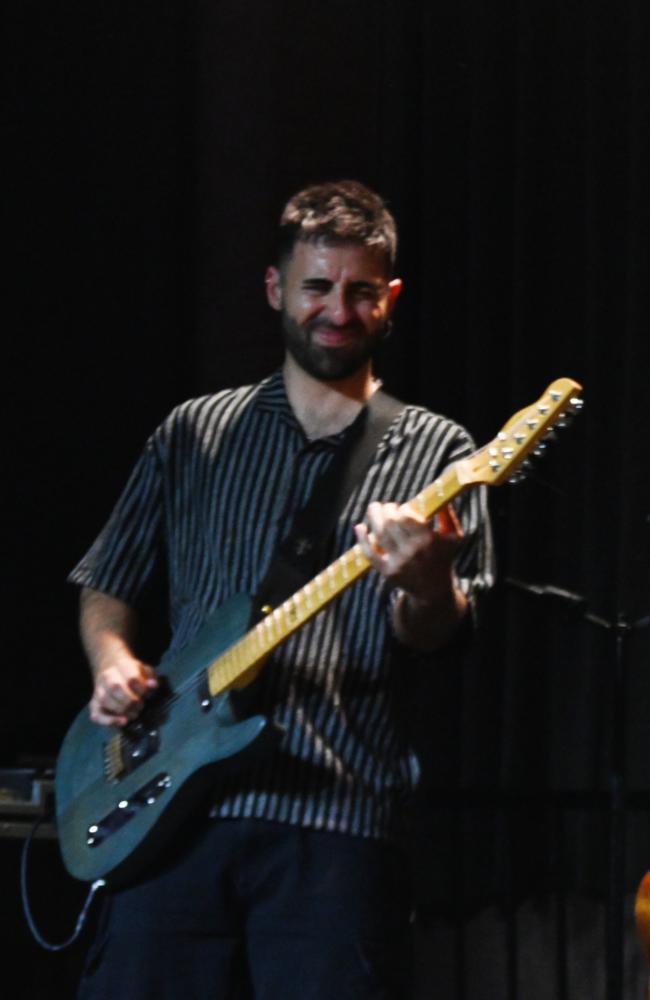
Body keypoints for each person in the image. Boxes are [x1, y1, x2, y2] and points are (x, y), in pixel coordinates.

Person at [70, 179, 493, 999]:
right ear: (275, 288)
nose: (338, 310)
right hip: (169, 817)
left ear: (391, 297)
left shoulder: (441, 452)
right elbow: (106, 581)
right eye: (316, 286)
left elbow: (438, 634)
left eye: (361, 291)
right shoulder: (194, 432)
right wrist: (111, 661)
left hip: (336, 822)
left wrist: (427, 580)